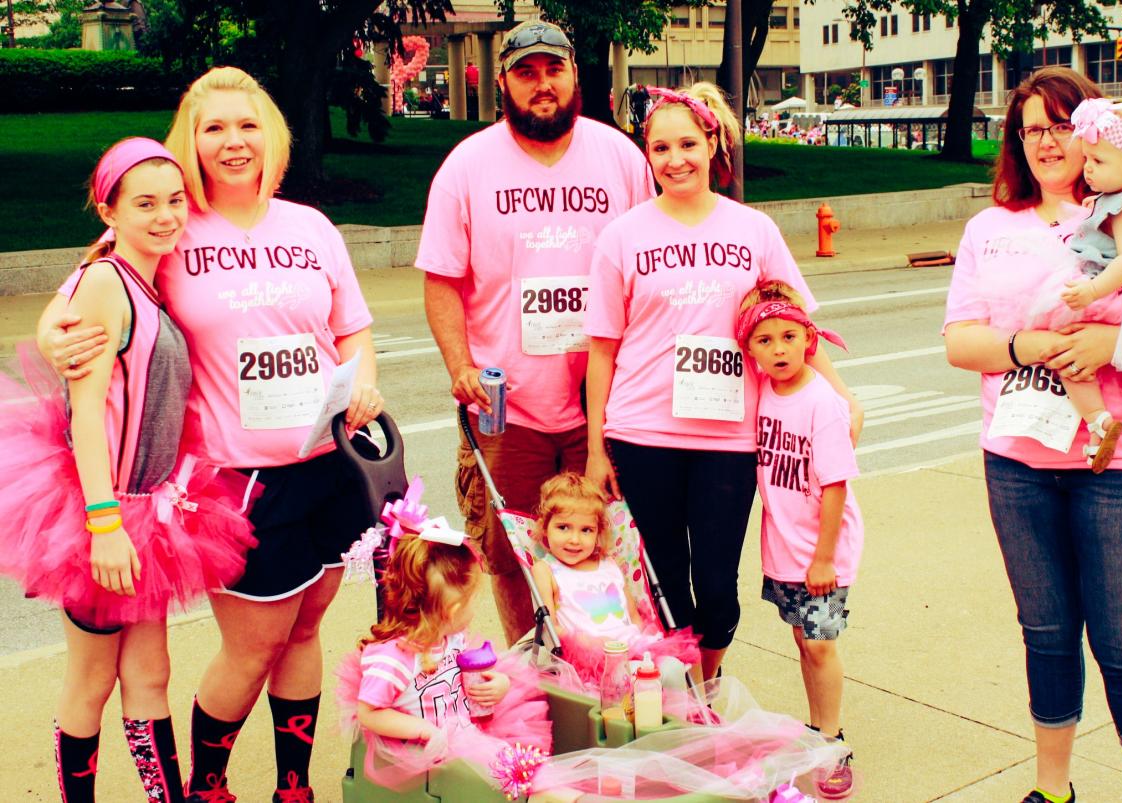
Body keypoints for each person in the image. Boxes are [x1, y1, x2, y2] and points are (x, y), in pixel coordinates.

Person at [38, 67, 382, 803]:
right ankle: (210, 787)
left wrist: (367, 378)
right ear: (189, 141)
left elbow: (352, 328)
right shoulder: (171, 221)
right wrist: (49, 335)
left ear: (273, 135)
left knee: (304, 632)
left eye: (248, 124)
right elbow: (91, 283)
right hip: (237, 480)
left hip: (331, 463)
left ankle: (294, 787)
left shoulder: (310, 227)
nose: (234, 141)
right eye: (214, 127)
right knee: (254, 645)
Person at [944, 66, 1122, 803]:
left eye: (1060, 125)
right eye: (1030, 129)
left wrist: (1115, 342)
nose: (1046, 142)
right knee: (1047, 634)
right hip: (1018, 461)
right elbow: (961, 342)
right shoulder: (990, 228)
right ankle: (1052, 789)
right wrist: (1026, 346)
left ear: (1095, 131)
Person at [0, 138, 255, 803]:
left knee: (150, 674)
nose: (166, 216)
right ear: (108, 211)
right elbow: (85, 413)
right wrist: (104, 525)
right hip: (103, 512)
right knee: (92, 679)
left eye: (175, 201)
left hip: (149, 512)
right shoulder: (106, 284)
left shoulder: (144, 278)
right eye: (145, 204)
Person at [584, 81, 862, 682]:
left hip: (729, 437)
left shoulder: (753, 230)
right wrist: (595, 449)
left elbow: (796, 324)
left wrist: (841, 395)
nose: (675, 160)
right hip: (642, 433)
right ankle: (680, 694)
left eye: (688, 144)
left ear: (713, 144)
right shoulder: (622, 236)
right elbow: (602, 349)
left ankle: (705, 681)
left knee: (716, 587)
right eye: (660, 148)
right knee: (662, 583)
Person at [417, 19, 655, 647]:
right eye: (526, 73)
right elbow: (441, 279)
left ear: (575, 75)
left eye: (554, 70)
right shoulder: (467, 166)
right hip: (507, 406)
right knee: (512, 555)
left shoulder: (621, 159)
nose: (542, 84)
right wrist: (460, 367)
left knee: (608, 549)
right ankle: (532, 672)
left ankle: (603, 670)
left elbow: (649, 269)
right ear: (503, 83)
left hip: (602, 401)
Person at [1013, 98, 1122, 478]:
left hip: (1116, 292)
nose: (1088, 168)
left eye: (1097, 161)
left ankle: (1099, 422)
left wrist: (1092, 291)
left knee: (1067, 353)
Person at [737, 280, 861, 800]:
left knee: (820, 644)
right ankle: (816, 727)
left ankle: (832, 743)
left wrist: (823, 557)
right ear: (750, 350)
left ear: (809, 339)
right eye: (764, 340)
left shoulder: (821, 402)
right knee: (803, 641)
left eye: (789, 337)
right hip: (785, 548)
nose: (779, 349)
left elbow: (836, 485)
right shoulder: (764, 392)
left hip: (822, 551)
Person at [335, 524, 551, 789]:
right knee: (523, 780)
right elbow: (369, 712)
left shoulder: (452, 639)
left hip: (469, 736)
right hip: (435, 757)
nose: (474, 609)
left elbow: (465, 679)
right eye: (472, 601)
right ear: (452, 610)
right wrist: (423, 730)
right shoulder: (394, 660)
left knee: (527, 775)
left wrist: (498, 684)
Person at [529, 471, 699, 686]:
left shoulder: (609, 565)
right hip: (593, 659)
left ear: (598, 533)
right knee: (648, 680)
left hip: (633, 648)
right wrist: (586, 642)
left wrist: (645, 645)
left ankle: (677, 708)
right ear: (545, 527)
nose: (574, 539)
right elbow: (549, 627)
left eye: (586, 530)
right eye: (563, 527)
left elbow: (633, 617)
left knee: (672, 668)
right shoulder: (546, 570)